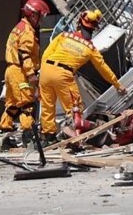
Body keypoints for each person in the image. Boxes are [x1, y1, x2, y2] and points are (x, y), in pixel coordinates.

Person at [38, 10, 126, 146]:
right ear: (94, 28)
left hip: (46, 71)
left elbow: (46, 53)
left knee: (47, 106)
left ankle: (48, 137)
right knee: (75, 108)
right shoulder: (89, 47)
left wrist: (43, 72)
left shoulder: (63, 36)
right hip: (63, 74)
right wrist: (117, 85)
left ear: (79, 24)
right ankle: (76, 139)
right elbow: (103, 68)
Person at [0, 0, 50, 145]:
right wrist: (31, 74)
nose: (41, 21)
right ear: (34, 15)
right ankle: (29, 133)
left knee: (13, 104)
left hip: (11, 71)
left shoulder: (19, 27)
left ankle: (4, 129)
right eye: (40, 16)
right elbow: (24, 53)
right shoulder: (27, 31)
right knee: (27, 105)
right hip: (20, 72)